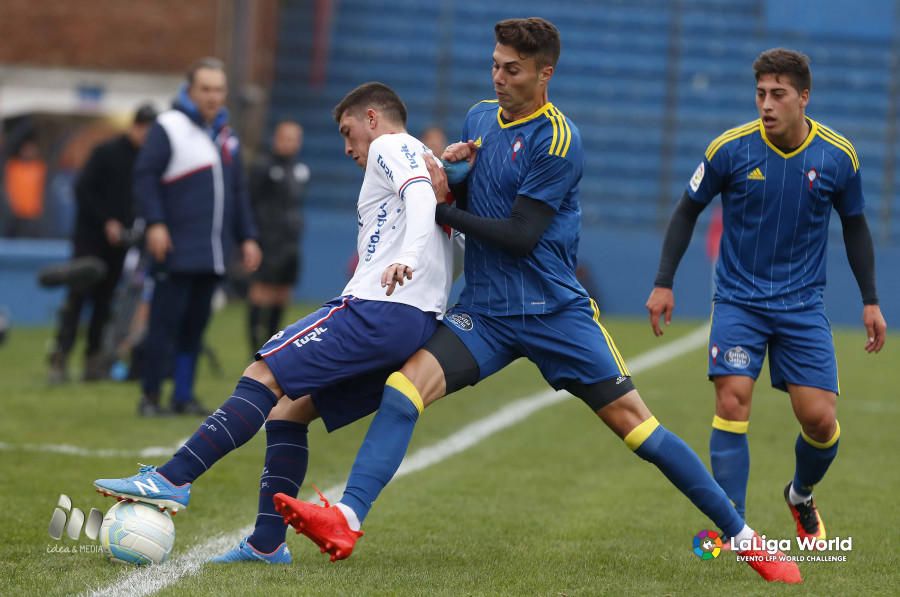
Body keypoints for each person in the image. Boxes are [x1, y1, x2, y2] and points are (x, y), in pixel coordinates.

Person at [272, 19, 800, 584]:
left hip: (555, 314)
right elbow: (471, 186)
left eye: (513, 69)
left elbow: (521, 235)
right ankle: (347, 518)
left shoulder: (558, 141)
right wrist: (448, 173)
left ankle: (744, 538)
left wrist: (442, 208)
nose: (499, 77)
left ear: (544, 74)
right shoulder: (479, 118)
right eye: (496, 64)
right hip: (486, 313)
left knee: (639, 429)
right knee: (405, 389)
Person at [94, 82, 455, 564]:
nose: (347, 148)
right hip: (414, 320)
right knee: (289, 411)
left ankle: (171, 478)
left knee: (262, 373)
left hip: (379, 309)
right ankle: (267, 543)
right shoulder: (434, 163)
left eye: (349, 133)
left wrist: (406, 257)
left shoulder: (393, 145)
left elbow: (417, 199)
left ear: (373, 118)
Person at [645, 48, 887, 543]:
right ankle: (735, 527)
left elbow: (857, 226)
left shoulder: (838, 156)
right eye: (760, 94)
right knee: (733, 400)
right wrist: (663, 281)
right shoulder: (729, 150)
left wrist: (870, 299)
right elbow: (687, 209)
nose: (767, 105)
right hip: (738, 300)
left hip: (801, 306)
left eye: (778, 95)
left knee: (819, 421)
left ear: (803, 97)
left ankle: (800, 494)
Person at [133, 57, 261, 416]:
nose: (212, 96)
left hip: (213, 252)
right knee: (163, 325)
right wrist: (155, 223)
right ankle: (151, 396)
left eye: (218, 89)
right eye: (205, 89)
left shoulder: (226, 135)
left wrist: (247, 236)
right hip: (175, 249)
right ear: (189, 90)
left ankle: (183, 395)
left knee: (195, 328)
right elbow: (145, 176)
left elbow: (238, 193)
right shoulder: (168, 126)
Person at [47, 104, 158, 384]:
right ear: (135, 126)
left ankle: (93, 361)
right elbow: (82, 190)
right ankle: (61, 356)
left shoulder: (146, 161)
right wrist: (106, 221)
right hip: (90, 240)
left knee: (104, 301)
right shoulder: (106, 152)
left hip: (118, 244)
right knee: (78, 297)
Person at [246, 120, 310, 352]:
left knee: (283, 291)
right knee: (262, 289)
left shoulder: (300, 170)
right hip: (268, 240)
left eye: (295, 139)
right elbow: (251, 201)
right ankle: (255, 344)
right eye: (287, 138)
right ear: (276, 138)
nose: (291, 143)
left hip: (290, 241)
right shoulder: (263, 166)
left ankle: (271, 342)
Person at [3, 134, 47, 238]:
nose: (28, 152)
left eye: (31, 149)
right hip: (14, 213)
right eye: (26, 149)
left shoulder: (40, 168)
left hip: (33, 214)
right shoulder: (12, 166)